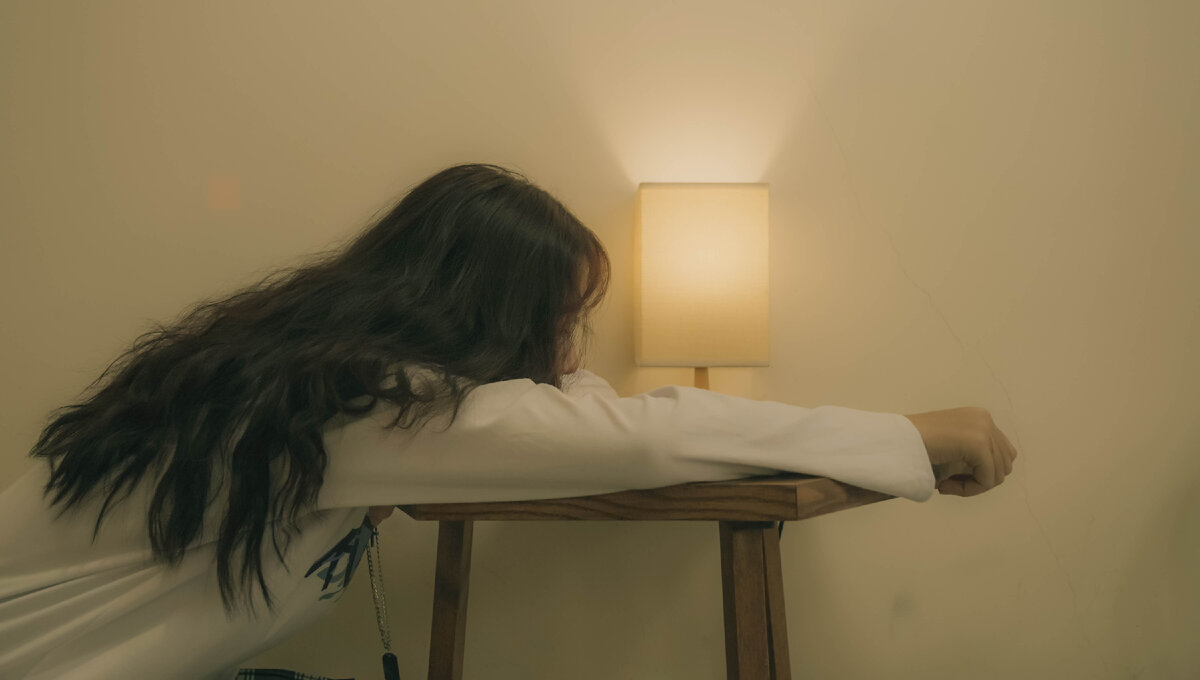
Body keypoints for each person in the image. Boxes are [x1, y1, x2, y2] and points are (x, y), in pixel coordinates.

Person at [0, 163, 1016, 679]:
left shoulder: (309, 377)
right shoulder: (371, 401)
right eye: (561, 320)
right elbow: (641, 436)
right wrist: (915, 432)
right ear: (485, 317)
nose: (570, 348)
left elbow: (584, 418)